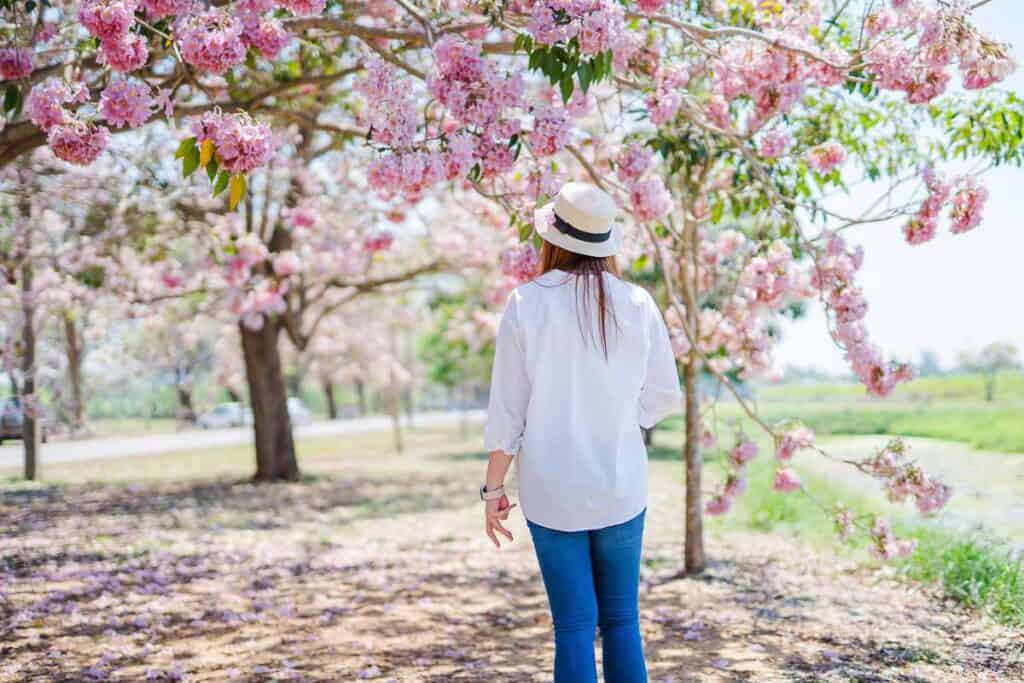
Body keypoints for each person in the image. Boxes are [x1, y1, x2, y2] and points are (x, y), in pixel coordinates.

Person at [480, 182, 683, 683]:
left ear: (553, 238)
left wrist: (493, 490)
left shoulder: (525, 303)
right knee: (622, 622)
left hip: (550, 490)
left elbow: (508, 410)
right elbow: (663, 394)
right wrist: (617, 419)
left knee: (572, 627)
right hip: (620, 485)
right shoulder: (638, 303)